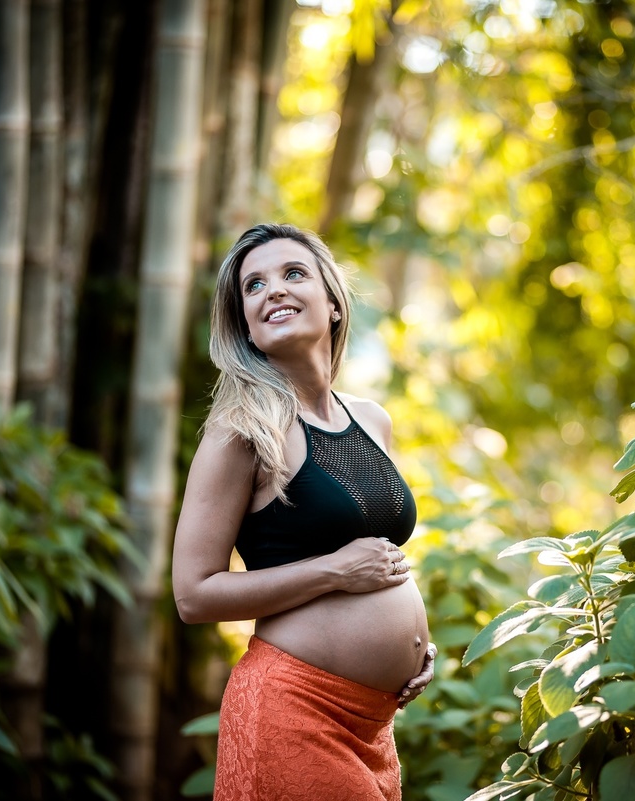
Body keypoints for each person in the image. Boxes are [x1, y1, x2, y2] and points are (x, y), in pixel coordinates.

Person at [172, 223, 435, 801]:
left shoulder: (372, 419)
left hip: (374, 724)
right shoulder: (240, 432)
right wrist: (335, 572)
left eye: (293, 274)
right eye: (253, 286)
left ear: (334, 302)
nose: (273, 291)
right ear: (244, 322)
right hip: (294, 707)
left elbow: (379, 559)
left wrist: (416, 646)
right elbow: (193, 595)